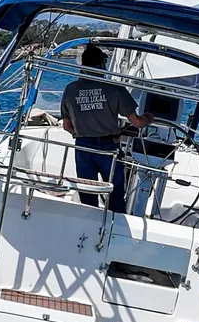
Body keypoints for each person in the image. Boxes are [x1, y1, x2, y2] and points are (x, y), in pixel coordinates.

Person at [60, 44, 154, 213]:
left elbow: (67, 126)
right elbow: (137, 122)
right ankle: (115, 228)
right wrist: (149, 118)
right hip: (109, 148)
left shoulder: (70, 89)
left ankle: (89, 225)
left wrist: (84, 133)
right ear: (102, 64)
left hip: (83, 148)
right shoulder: (115, 89)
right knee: (115, 194)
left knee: (87, 194)